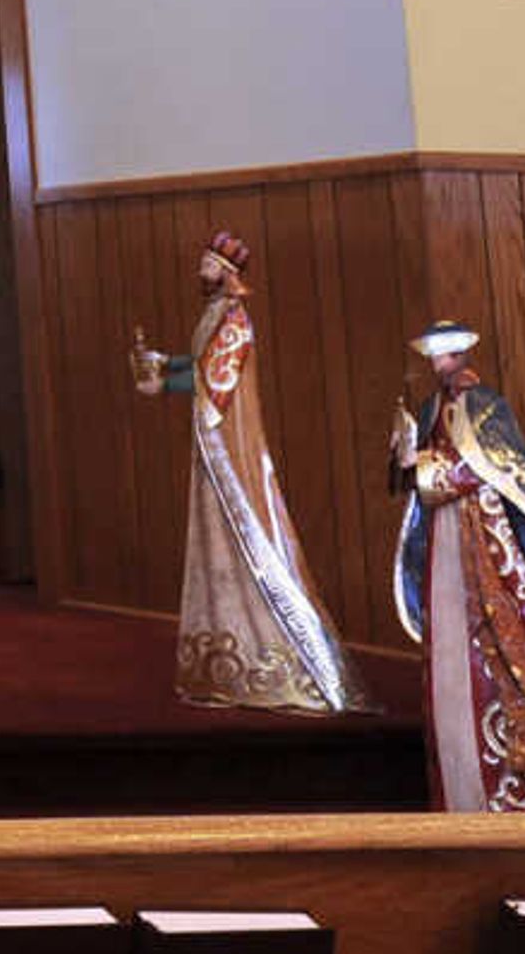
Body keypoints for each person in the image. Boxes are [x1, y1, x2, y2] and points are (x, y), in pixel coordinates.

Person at [129, 230, 362, 713]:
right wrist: (163, 362)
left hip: (228, 445)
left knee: (243, 528)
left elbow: (217, 378)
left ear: (227, 272)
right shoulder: (216, 313)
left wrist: (163, 386)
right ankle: (224, 656)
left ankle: (271, 656)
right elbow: (199, 363)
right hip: (209, 441)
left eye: (208, 263)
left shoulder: (235, 318)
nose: (201, 270)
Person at [394, 322, 525, 813]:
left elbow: (491, 466)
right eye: (434, 357)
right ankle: (463, 788)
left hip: (484, 541)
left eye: (445, 356)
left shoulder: (487, 405)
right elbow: (423, 470)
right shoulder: (430, 408)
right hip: (446, 539)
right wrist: (405, 460)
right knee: (452, 650)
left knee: (509, 645)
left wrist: (426, 467)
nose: (438, 365)